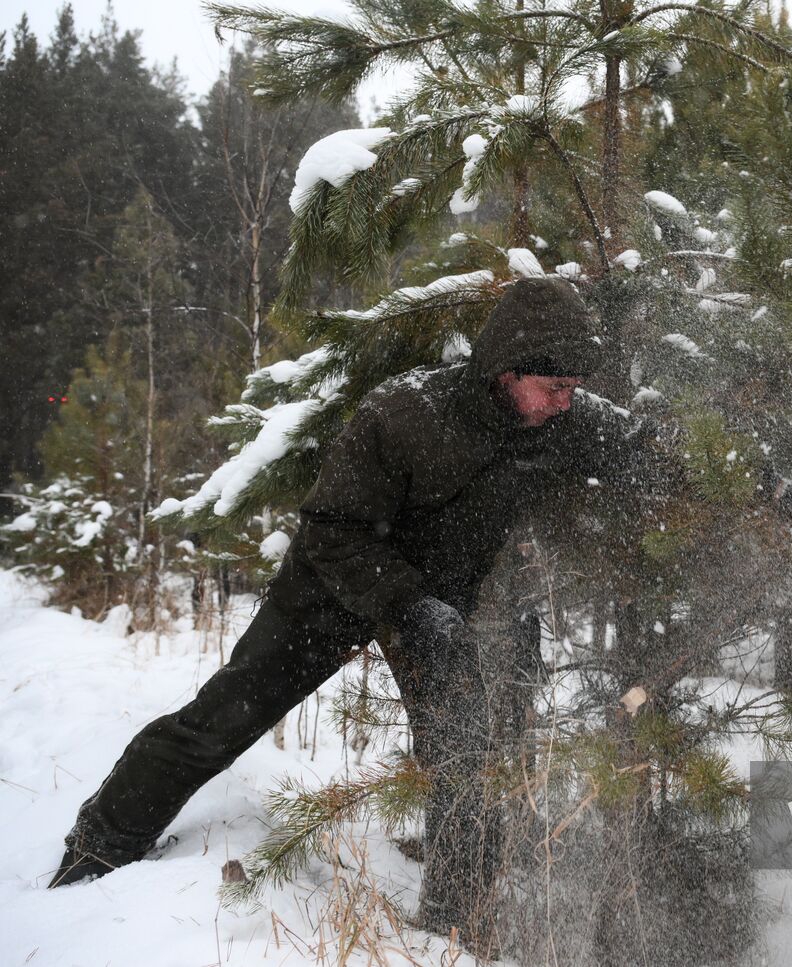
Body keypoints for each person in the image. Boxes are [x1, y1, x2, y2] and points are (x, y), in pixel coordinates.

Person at [45, 277, 683, 934]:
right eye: (554, 386)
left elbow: (655, 448)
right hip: (334, 589)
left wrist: (776, 489)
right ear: (506, 370)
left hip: (436, 613)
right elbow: (330, 529)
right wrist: (409, 603)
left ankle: (456, 930)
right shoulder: (403, 414)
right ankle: (96, 849)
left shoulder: (561, 421)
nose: (565, 400)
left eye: (574, 387)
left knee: (468, 761)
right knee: (218, 721)